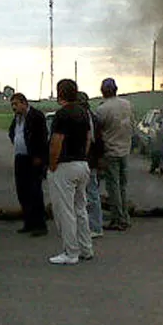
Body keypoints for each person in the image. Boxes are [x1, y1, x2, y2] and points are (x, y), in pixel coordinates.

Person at [47, 79, 93, 265]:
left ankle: (70, 252)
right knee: (80, 208)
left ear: (60, 93)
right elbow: (89, 138)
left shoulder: (61, 115)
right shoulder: (84, 113)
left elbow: (56, 141)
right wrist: (83, 155)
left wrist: (52, 164)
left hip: (65, 165)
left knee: (65, 210)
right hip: (82, 163)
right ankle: (86, 247)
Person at [8, 93, 49, 237]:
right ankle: (28, 221)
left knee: (35, 191)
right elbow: (12, 132)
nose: (14, 107)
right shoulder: (17, 118)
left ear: (24, 103)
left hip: (33, 158)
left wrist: (39, 156)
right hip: (20, 157)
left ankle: (40, 224)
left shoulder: (36, 116)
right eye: (12, 105)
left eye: (16, 104)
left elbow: (42, 137)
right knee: (22, 191)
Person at [96, 77, 134, 231]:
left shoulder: (102, 109)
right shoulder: (127, 105)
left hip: (110, 151)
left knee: (113, 188)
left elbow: (98, 132)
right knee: (123, 186)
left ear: (103, 91)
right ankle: (125, 216)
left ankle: (118, 220)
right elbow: (132, 125)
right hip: (125, 149)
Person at [78, 92, 105, 238]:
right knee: (89, 194)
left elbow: (96, 141)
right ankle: (90, 225)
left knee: (91, 194)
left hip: (88, 160)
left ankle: (95, 227)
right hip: (90, 160)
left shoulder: (88, 118)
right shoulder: (92, 117)